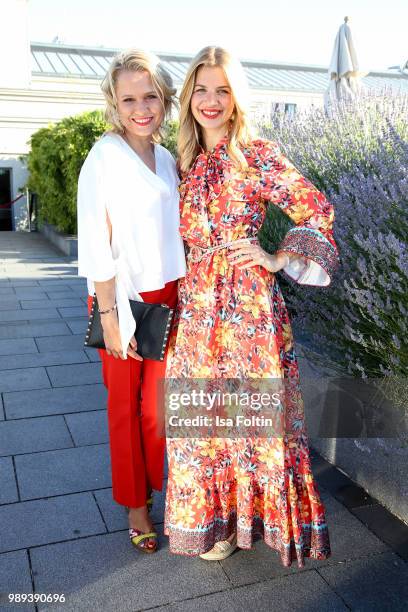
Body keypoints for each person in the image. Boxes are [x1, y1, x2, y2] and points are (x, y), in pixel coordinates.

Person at [164, 46, 339, 567]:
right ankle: (216, 526)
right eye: (201, 89)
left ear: (236, 96)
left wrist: (274, 254)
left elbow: (317, 208)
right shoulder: (182, 161)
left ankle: (256, 522)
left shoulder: (257, 152)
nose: (211, 101)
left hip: (246, 303)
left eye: (222, 90)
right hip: (196, 304)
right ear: (189, 96)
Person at [77, 49, 186, 553]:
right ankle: (136, 506)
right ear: (114, 104)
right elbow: (94, 241)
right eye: (129, 99)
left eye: (150, 97)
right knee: (124, 408)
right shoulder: (103, 156)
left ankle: (156, 486)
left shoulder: (165, 157)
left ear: (163, 99)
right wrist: (109, 315)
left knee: (155, 411)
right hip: (121, 298)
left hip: (168, 296)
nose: (141, 108)